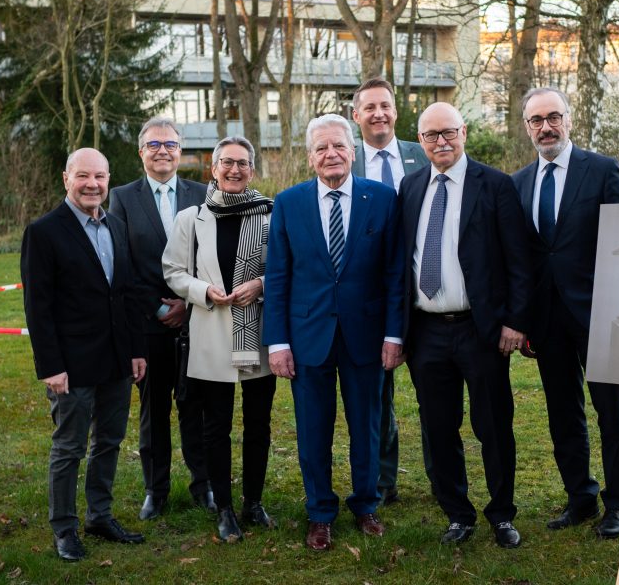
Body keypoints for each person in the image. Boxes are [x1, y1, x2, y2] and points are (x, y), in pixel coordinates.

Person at [263, 114, 405, 552]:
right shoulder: (288, 203)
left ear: (353, 151)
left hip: (366, 335)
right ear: (310, 157)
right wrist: (279, 342)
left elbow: (395, 272)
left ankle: (366, 505)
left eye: (339, 146)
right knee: (312, 429)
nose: (331, 155)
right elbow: (279, 275)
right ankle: (320, 512)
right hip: (308, 338)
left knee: (367, 426)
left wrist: (395, 335)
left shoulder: (381, 199)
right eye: (321, 148)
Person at [401, 102, 532, 549]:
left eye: (448, 132)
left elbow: (519, 259)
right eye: (431, 135)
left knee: (493, 424)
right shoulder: (410, 186)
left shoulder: (494, 185)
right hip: (427, 332)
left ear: (464, 131)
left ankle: (501, 514)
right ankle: (458, 514)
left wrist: (514, 321)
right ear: (420, 141)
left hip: (482, 330)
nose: (441, 141)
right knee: (438, 428)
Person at [511, 87, 619, 539]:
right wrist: (522, 319)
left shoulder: (601, 171)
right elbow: (521, 257)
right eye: (536, 120)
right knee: (563, 410)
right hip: (547, 320)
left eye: (553, 117)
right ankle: (579, 496)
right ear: (527, 127)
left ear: (568, 118)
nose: (545, 127)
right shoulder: (519, 182)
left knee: (610, 411)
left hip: (599, 313)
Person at [21, 147, 147, 561]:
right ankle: (64, 528)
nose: (92, 184)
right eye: (83, 176)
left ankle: (100, 515)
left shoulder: (114, 226)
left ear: (109, 180)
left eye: (100, 177)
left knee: (109, 441)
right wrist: (51, 367)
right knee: (70, 447)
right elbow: (38, 309)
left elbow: (124, 294)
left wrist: (135, 352)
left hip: (115, 360)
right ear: (66, 179)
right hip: (71, 367)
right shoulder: (44, 232)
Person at [162, 136, 276, 543]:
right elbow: (173, 271)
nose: (234, 170)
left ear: (252, 170)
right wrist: (203, 291)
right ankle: (224, 508)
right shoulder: (191, 218)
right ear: (213, 169)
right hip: (210, 332)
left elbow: (284, 268)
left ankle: (254, 502)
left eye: (243, 163)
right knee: (216, 427)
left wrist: (260, 284)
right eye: (226, 162)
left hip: (259, 334)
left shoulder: (270, 214)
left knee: (258, 425)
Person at [108, 117, 214, 520]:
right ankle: (156, 488)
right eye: (154, 145)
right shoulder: (122, 198)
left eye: (170, 144)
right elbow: (123, 263)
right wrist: (157, 306)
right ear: (141, 152)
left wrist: (188, 302)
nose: (162, 151)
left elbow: (212, 255)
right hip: (148, 324)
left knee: (197, 406)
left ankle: (202, 482)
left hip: (197, 318)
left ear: (180, 152)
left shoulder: (203, 193)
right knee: (154, 410)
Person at [350, 77, 434, 505]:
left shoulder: (422, 155)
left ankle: (443, 481)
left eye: (385, 105)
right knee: (377, 397)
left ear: (395, 111)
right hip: (373, 297)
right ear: (356, 115)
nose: (378, 113)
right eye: (370, 107)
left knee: (435, 395)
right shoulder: (347, 161)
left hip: (425, 290)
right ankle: (384, 482)